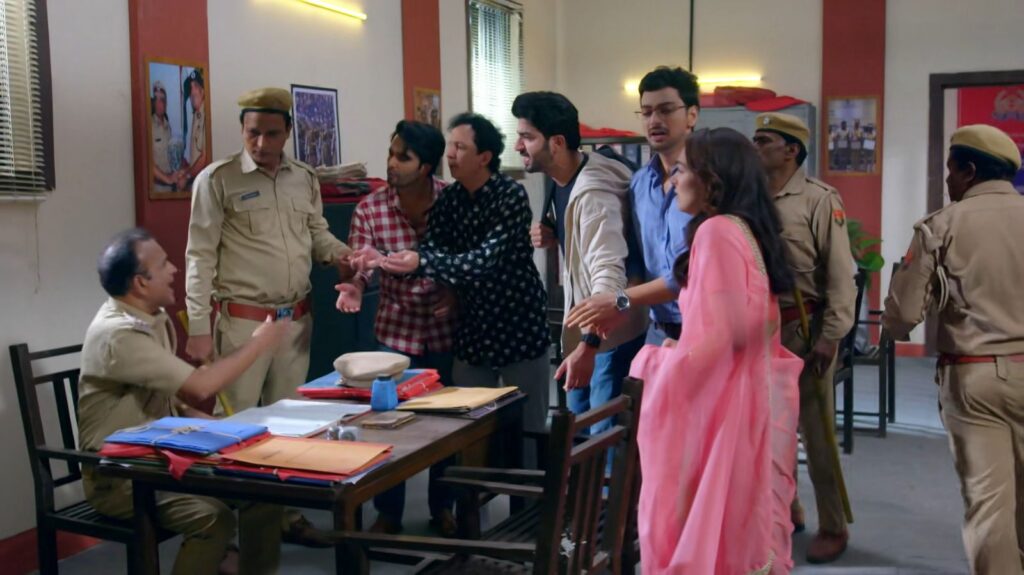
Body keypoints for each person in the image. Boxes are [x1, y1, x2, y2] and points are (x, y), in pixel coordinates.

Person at [185, 87, 353, 547]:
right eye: (252, 133)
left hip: (295, 321)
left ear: (288, 132)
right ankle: (230, 533)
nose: (261, 143)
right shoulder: (217, 180)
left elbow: (317, 233)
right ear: (242, 129)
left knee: (290, 425)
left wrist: (345, 255)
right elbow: (199, 257)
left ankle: (285, 517)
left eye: (272, 134)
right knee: (237, 428)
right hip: (243, 322)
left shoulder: (304, 178)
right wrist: (198, 328)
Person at [629, 127, 802, 574]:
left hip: (728, 406)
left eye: (682, 170)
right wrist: (681, 346)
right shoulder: (740, 229)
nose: (673, 181)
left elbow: (722, 342)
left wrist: (655, 361)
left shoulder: (717, 232)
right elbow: (736, 329)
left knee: (707, 533)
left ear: (712, 180)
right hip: (750, 396)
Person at [79, 228, 289, 575]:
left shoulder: (152, 317)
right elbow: (200, 388)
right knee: (213, 519)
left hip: (160, 454)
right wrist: (261, 342)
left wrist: (220, 429)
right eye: (163, 264)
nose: (174, 269)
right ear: (140, 283)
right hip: (121, 477)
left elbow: (172, 397)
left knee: (264, 490)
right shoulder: (120, 334)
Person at [883, 125, 1024, 575]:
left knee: (990, 506)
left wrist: (894, 324)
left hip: (974, 379)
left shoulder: (941, 225)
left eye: (950, 169)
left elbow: (903, 316)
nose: (947, 180)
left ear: (969, 170)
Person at [380, 112, 550, 436]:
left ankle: (529, 472)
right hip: (472, 330)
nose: (450, 155)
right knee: (468, 429)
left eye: (460, 147)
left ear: (484, 157)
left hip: (518, 327)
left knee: (528, 431)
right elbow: (432, 248)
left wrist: (422, 262)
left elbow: (484, 261)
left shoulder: (510, 195)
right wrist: (391, 261)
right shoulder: (450, 199)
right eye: (450, 146)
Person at [337, 120, 457, 536]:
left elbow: (467, 259)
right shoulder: (370, 208)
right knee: (387, 425)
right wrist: (354, 286)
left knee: (448, 424)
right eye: (391, 153)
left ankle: (443, 508)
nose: (391, 163)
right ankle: (388, 513)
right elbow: (360, 265)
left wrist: (455, 294)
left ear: (425, 166)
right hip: (395, 333)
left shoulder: (452, 200)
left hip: (446, 332)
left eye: (402, 157)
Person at [753, 112, 857, 563]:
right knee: (768, 429)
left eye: (764, 140)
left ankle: (833, 525)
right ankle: (788, 507)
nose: (755, 147)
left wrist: (830, 337)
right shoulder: (750, 196)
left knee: (817, 436)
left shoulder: (818, 199)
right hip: (761, 329)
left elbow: (840, 275)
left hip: (805, 328)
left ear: (791, 150)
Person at [513, 90, 647, 430]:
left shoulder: (593, 195)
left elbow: (609, 275)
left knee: (603, 440)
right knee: (580, 436)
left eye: (527, 137)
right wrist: (559, 233)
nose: (518, 146)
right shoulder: (565, 178)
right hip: (591, 333)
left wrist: (589, 345)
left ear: (557, 142)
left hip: (608, 338)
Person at [565, 66, 700, 346]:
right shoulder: (639, 183)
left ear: (692, 115)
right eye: (647, 112)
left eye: (666, 110)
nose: (655, 120)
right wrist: (620, 308)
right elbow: (637, 258)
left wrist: (620, 300)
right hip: (657, 330)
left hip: (705, 327)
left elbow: (693, 273)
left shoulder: (707, 181)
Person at [151, 81, 183, 192]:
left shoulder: (167, 126)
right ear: (153, 102)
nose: (159, 103)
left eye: (162, 99)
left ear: (166, 103)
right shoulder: (148, 126)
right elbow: (147, 163)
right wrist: (167, 179)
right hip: (157, 188)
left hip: (171, 187)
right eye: (156, 99)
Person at [181, 69, 208, 186]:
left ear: (203, 90)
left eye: (196, 86)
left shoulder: (207, 116)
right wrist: (185, 171)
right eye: (190, 88)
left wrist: (186, 176)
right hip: (197, 182)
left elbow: (205, 158)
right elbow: (196, 158)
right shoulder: (196, 116)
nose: (192, 92)